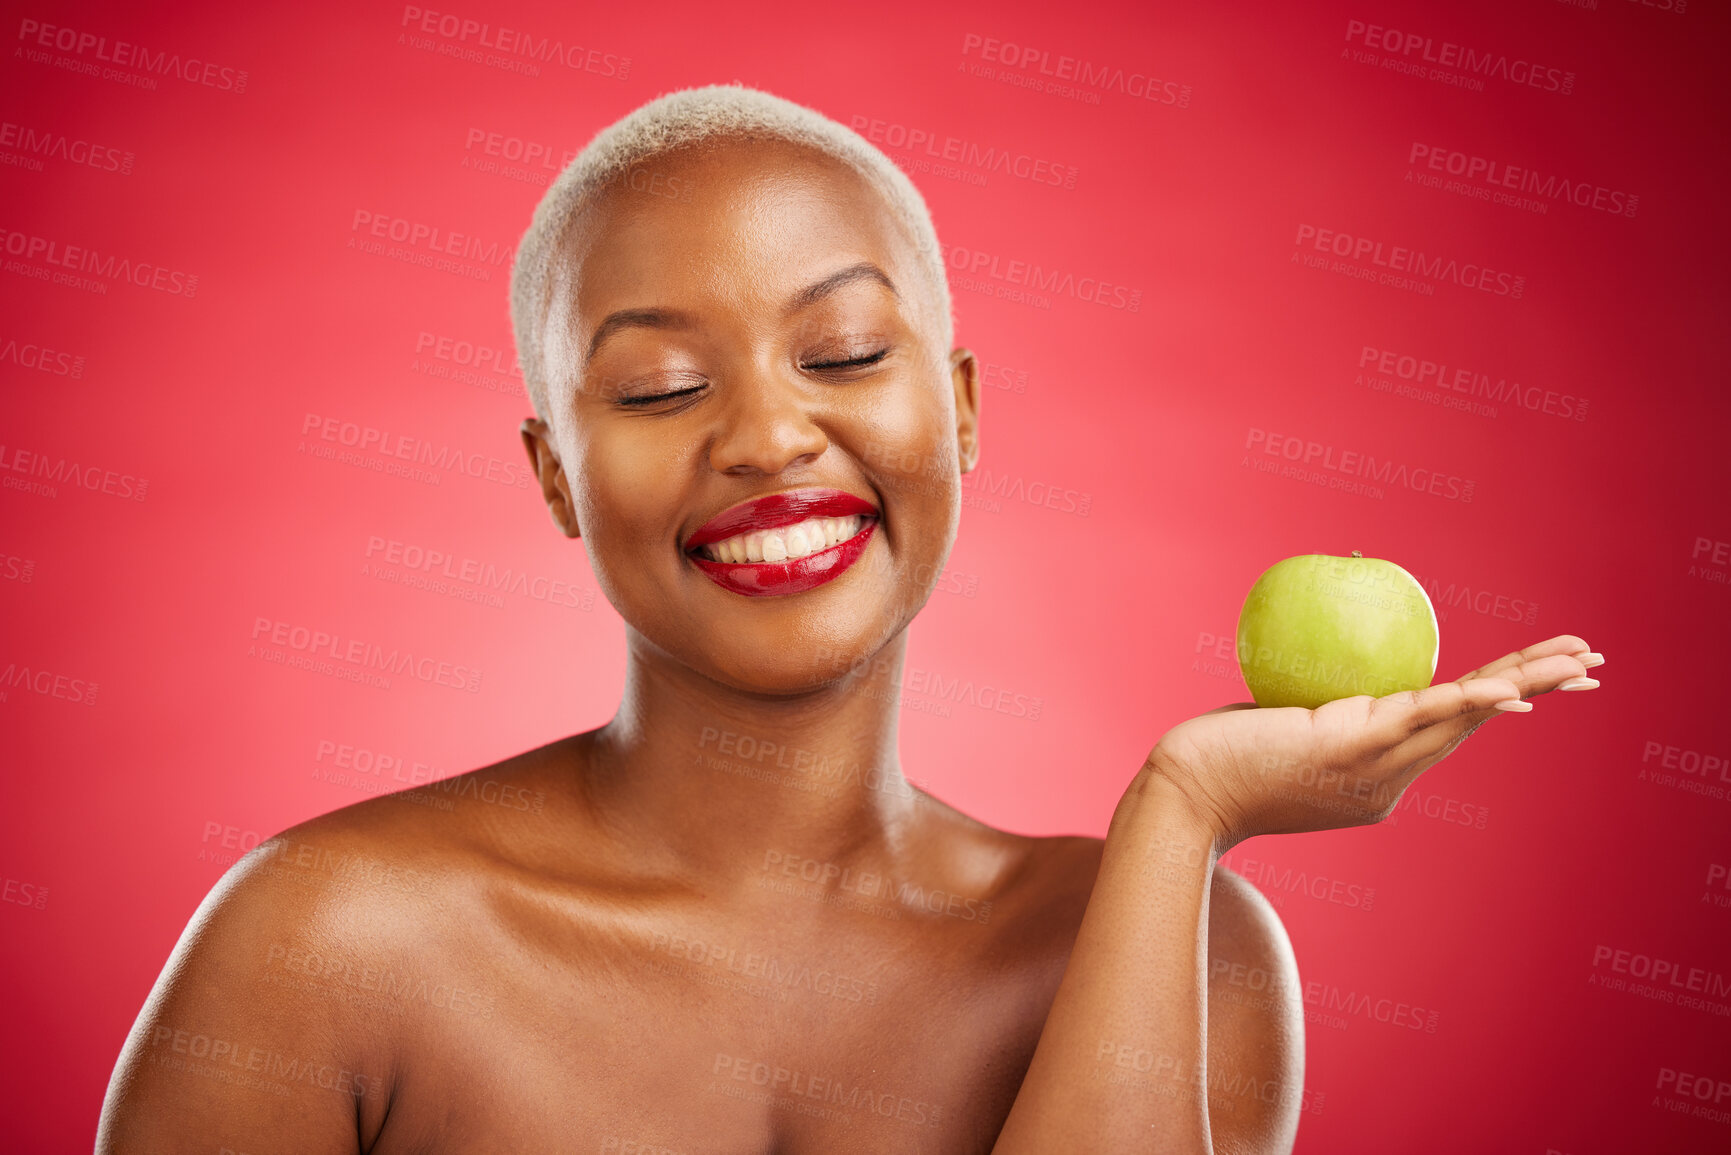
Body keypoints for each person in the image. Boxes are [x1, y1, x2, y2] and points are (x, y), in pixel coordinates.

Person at [95, 84, 1603, 1153]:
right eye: (660, 388)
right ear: (556, 474)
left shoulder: (1183, 948)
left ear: (956, 407)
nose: (765, 437)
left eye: (844, 352)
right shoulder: (321, 946)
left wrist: (1182, 813)